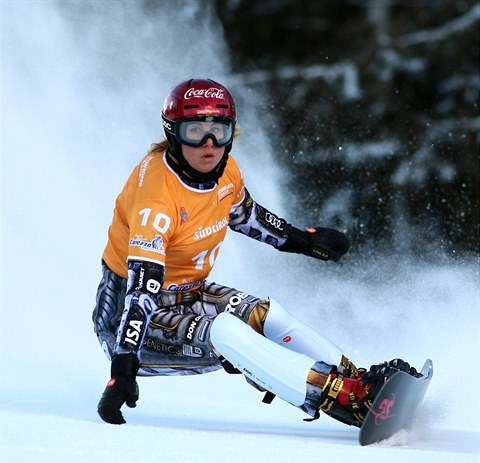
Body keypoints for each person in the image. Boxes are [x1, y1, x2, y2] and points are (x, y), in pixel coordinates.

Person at [93, 78, 418, 426]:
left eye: (219, 130)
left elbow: (245, 215)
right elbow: (142, 290)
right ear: (173, 132)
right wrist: (123, 367)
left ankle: (361, 385)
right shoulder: (156, 199)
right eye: (195, 131)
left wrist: (303, 240)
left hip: (188, 292)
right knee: (228, 333)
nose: (209, 143)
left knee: (268, 316)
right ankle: (343, 396)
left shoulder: (224, 171)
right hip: (130, 323)